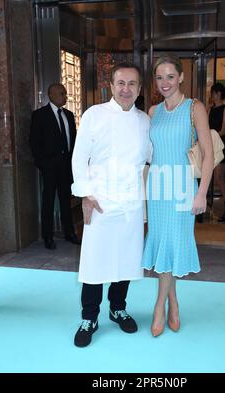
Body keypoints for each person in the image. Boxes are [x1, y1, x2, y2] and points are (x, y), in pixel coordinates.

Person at [71, 62, 151, 347]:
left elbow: (150, 158)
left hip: (131, 202)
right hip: (101, 201)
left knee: (126, 260)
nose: (126, 89)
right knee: (94, 262)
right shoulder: (95, 114)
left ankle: (118, 308)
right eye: (121, 83)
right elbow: (79, 157)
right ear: (111, 85)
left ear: (140, 88)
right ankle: (89, 316)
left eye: (132, 84)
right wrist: (85, 194)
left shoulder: (144, 120)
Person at [142, 54, 214, 337]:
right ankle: (174, 303)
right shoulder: (152, 111)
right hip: (157, 188)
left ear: (181, 77)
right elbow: (148, 156)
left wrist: (203, 193)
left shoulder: (194, 107)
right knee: (163, 247)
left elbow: (208, 155)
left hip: (183, 188)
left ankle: (159, 306)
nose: (165, 83)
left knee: (173, 245)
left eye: (170, 76)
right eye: (159, 77)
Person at [29, 83, 80, 249]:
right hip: (49, 167)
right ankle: (48, 236)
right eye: (62, 94)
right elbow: (34, 142)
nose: (65, 96)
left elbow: (73, 140)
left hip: (66, 166)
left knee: (66, 201)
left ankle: (69, 233)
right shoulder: (40, 115)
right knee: (48, 201)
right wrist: (43, 164)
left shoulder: (69, 115)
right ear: (51, 95)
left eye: (65, 94)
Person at [209, 83, 225, 222]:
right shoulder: (210, 109)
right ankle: (205, 206)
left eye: (212, 93)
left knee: (219, 177)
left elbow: (223, 130)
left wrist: (210, 135)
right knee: (210, 176)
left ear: (217, 93)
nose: (210, 96)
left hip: (221, 145)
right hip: (211, 145)